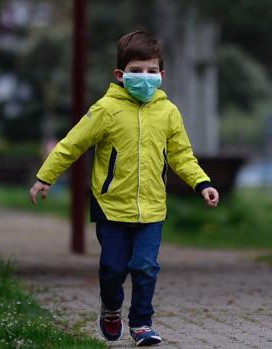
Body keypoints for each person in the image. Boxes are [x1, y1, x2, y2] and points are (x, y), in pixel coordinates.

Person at [28, 29, 219, 347]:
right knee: (113, 267)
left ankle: (142, 323)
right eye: (136, 71)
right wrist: (45, 177)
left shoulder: (168, 112)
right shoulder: (105, 110)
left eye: (151, 71)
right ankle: (112, 308)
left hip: (152, 207)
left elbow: (181, 155)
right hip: (110, 205)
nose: (144, 77)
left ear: (161, 74)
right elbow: (71, 145)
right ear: (120, 74)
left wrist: (202, 183)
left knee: (145, 267)